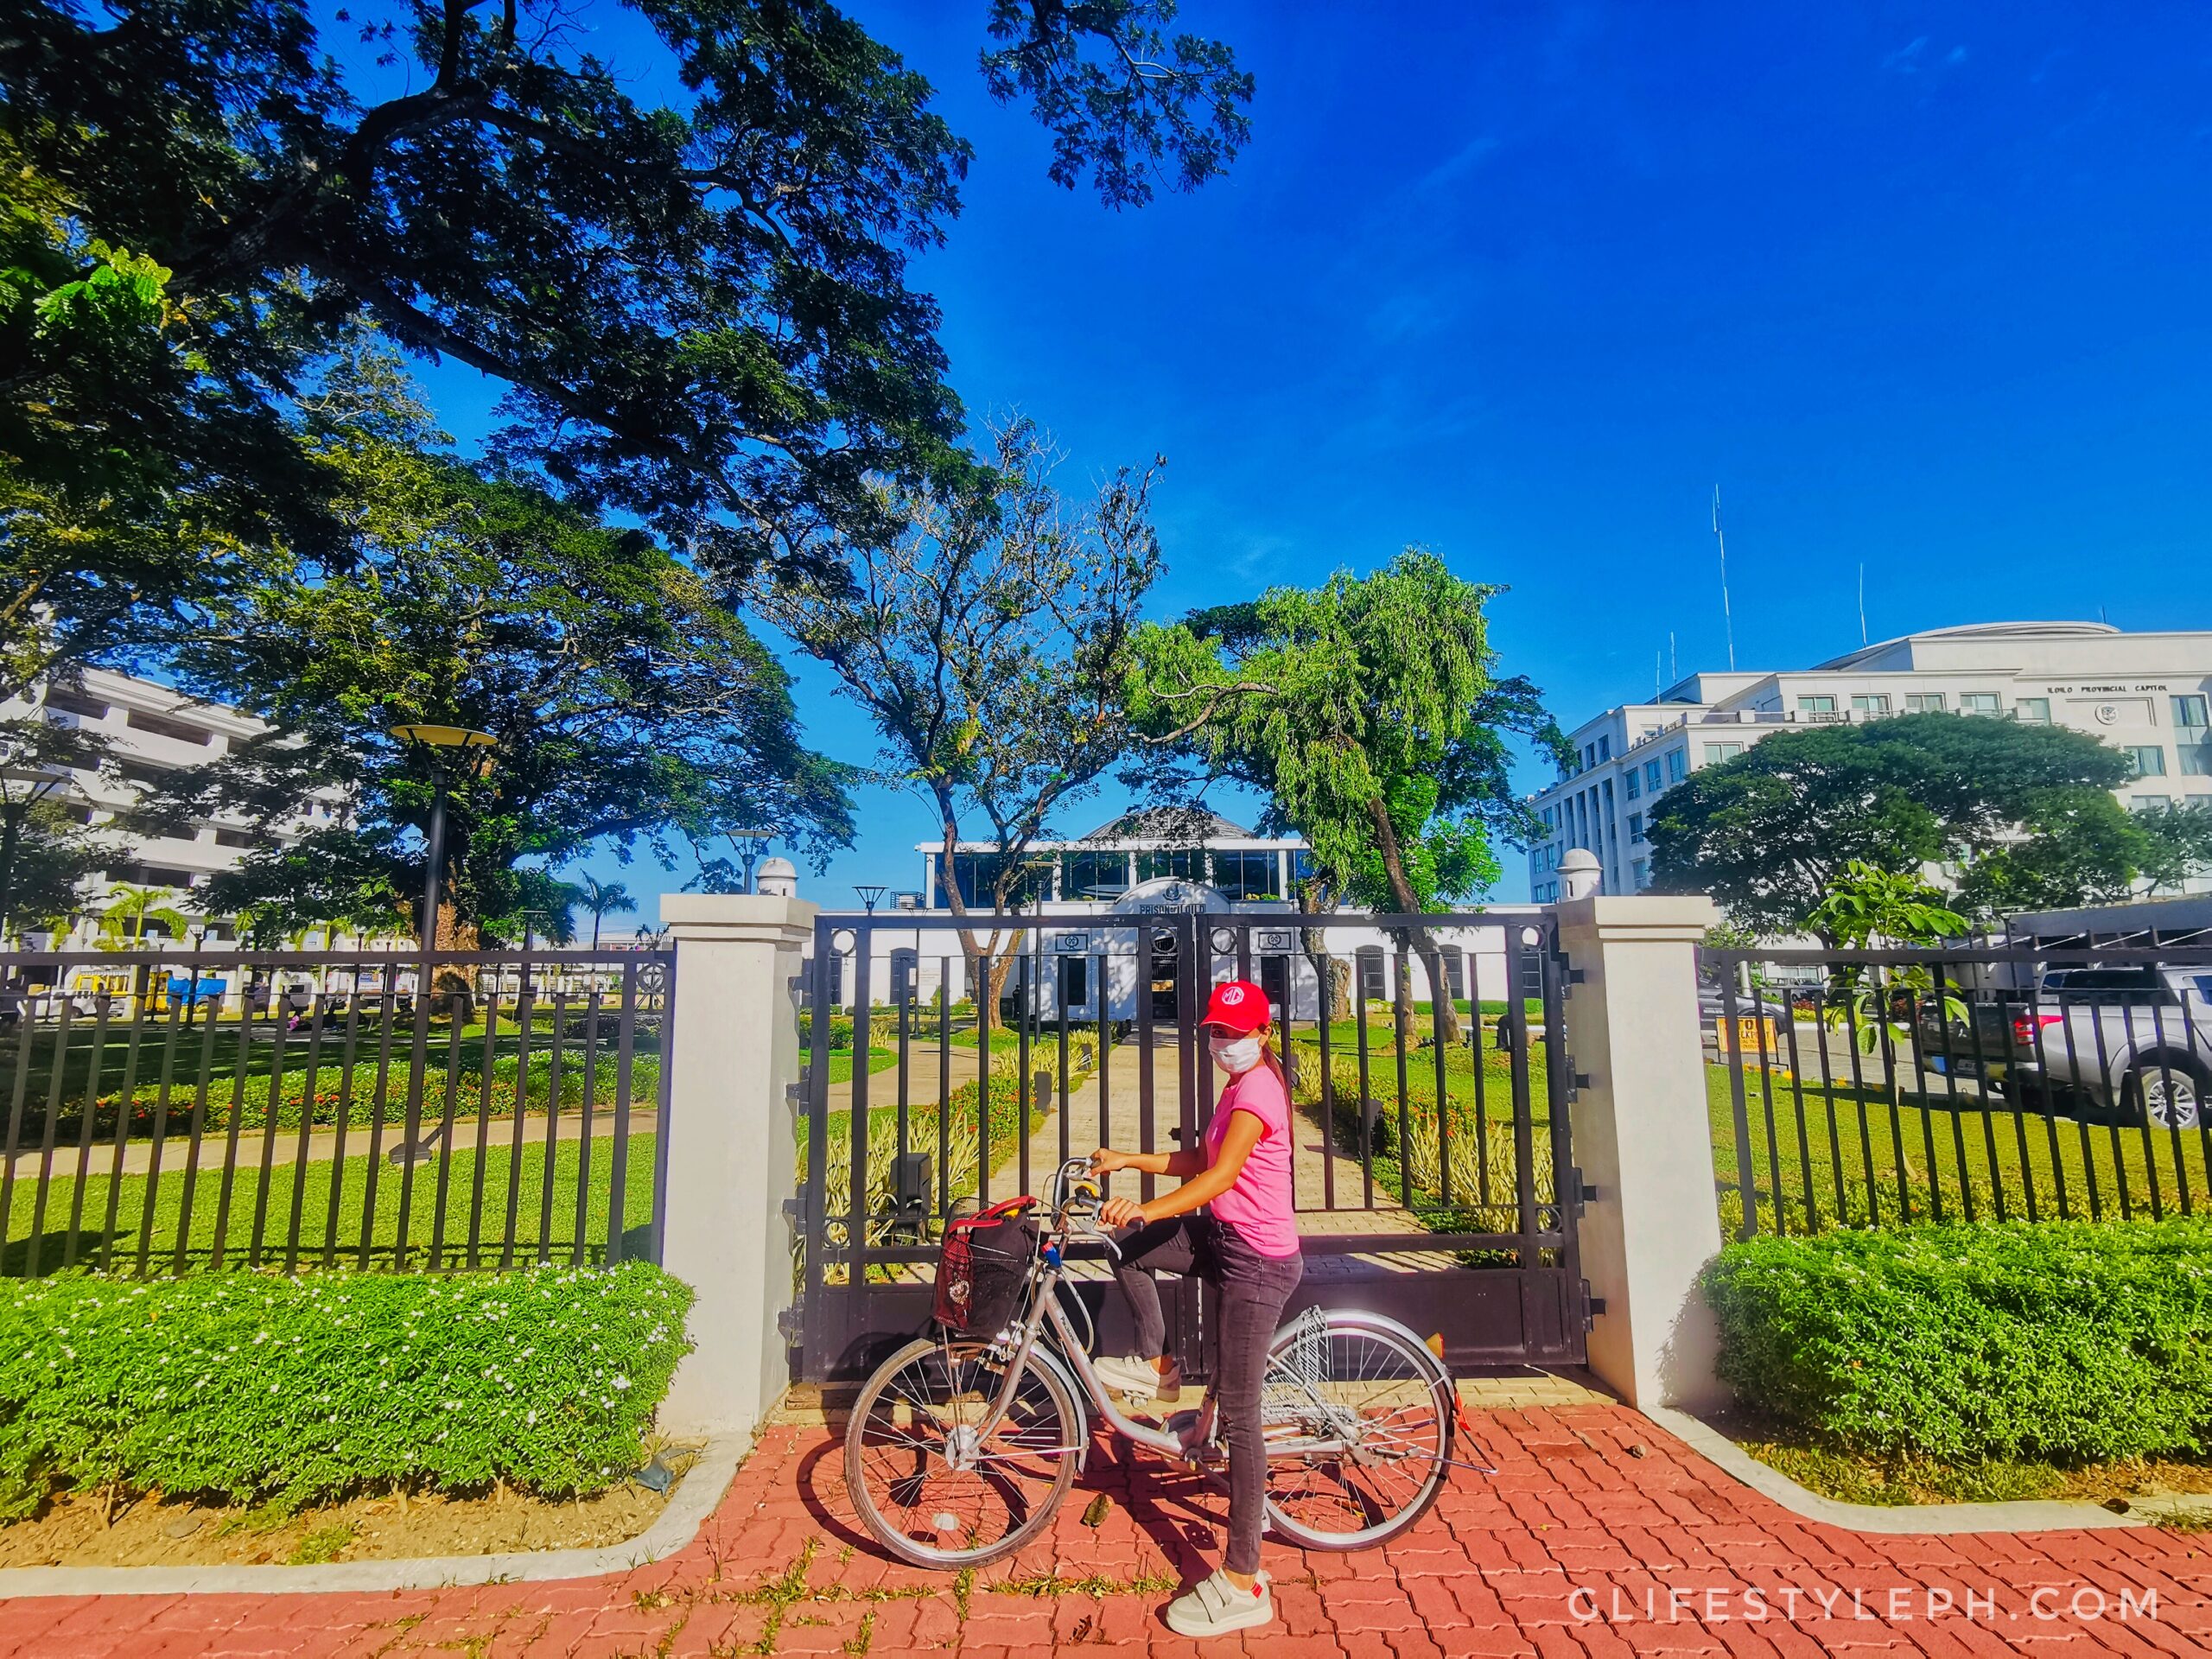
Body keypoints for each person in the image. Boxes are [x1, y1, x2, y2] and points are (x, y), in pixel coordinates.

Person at [1088, 978, 1303, 1640]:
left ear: (1263, 1035)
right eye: (1216, 1031)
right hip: (1224, 1238)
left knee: (1240, 1414)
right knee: (1126, 1243)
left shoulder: (1260, 1089)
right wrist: (1129, 1160)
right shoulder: (1238, 1086)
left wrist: (1148, 1204)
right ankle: (1161, 1370)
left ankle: (1243, 1580)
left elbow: (1221, 1176)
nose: (1223, 1043)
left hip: (1258, 1263)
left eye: (1236, 1034)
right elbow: (1196, 1160)